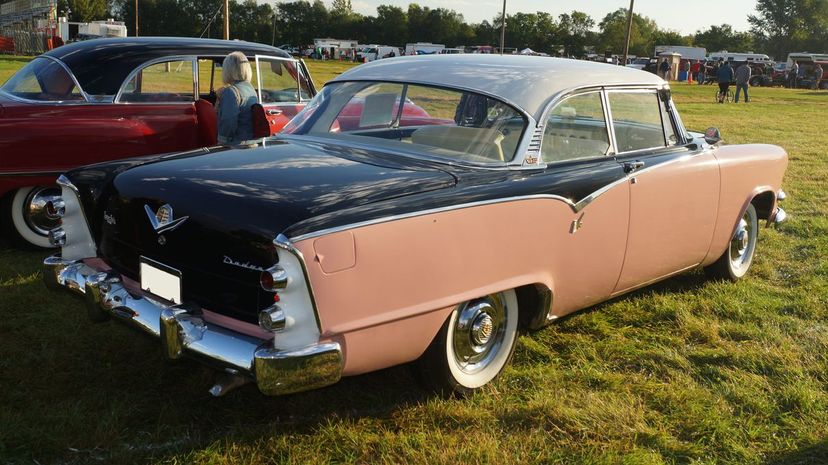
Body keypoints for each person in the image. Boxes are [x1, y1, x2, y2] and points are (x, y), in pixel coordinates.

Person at [216, 52, 258, 144]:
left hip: (235, 145)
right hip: (250, 142)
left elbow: (228, 122)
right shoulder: (250, 89)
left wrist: (221, 141)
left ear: (229, 70)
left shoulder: (230, 91)